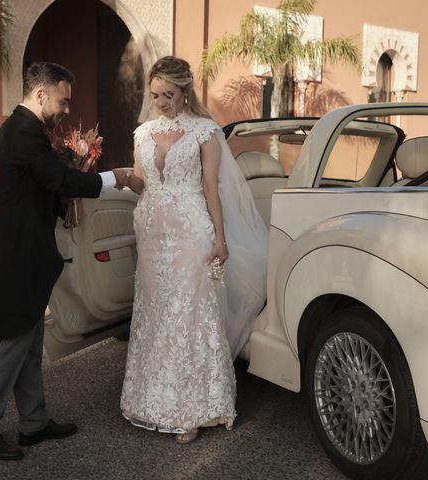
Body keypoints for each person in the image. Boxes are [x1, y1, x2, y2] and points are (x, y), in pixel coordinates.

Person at [0, 61, 129, 461]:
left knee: (30, 339)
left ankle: (34, 423)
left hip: (26, 253)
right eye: (64, 100)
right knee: (12, 343)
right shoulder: (23, 134)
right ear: (41, 95)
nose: (67, 109)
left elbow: (43, 186)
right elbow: (61, 179)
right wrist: (114, 177)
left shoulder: (26, 130)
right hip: (17, 257)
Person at [119, 56, 268, 444]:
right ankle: (147, 400)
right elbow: (141, 182)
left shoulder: (204, 130)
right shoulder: (143, 132)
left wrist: (220, 239)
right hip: (152, 232)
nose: (162, 102)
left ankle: (192, 409)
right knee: (155, 313)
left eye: (169, 94)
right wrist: (115, 178)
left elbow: (211, 189)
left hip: (190, 232)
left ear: (185, 92)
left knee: (188, 314)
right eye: (155, 95)